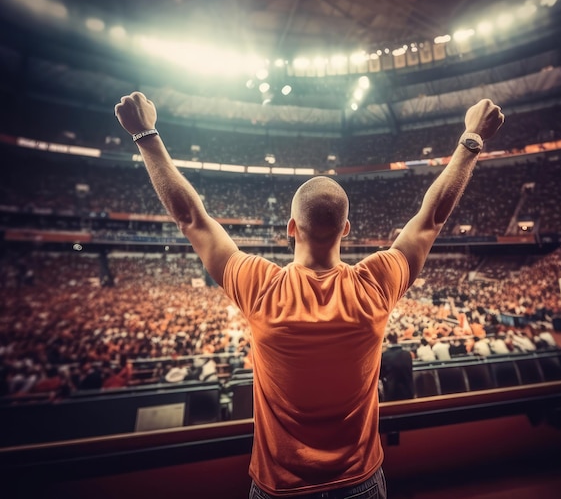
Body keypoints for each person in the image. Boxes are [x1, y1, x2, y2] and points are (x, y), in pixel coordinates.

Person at [114, 92, 504, 498]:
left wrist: (146, 134)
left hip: (279, 487)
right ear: (347, 228)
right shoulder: (376, 283)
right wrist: (471, 138)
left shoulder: (260, 286)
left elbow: (191, 218)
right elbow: (432, 219)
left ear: (290, 227)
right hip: (360, 482)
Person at [380, 332, 415, 401]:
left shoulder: (384, 355)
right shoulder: (407, 354)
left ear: (387, 340)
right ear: (397, 339)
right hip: (408, 392)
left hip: (392, 394)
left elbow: (381, 374)